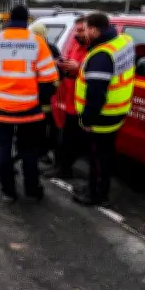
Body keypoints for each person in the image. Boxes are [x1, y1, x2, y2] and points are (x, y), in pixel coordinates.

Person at [0, 5, 59, 202]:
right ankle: (32, 190)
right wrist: (41, 100)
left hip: (1, 108)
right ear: (27, 20)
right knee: (29, 151)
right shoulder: (38, 42)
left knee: (4, 149)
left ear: (8, 19)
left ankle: (8, 191)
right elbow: (49, 78)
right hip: (29, 109)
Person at [73, 12, 136, 206]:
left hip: (102, 116)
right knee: (106, 155)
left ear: (94, 30)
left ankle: (96, 194)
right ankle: (101, 189)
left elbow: (96, 94)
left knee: (97, 158)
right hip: (119, 110)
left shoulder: (101, 55)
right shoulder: (124, 41)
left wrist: (86, 120)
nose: (84, 34)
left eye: (86, 30)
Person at [52, 15, 89, 179]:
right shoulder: (75, 42)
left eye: (81, 30)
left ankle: (65, 169)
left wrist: (78, 67)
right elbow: (68, 57)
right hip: (68, 98)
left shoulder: (95, 47)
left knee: (73, 139)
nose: (78, 34)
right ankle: (62, 168)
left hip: (83, 101)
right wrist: (62, 62)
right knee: (65, 137)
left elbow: (97, 72)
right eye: (76, 30)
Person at [29, 22, 62, 164]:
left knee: (43, 126)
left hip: (43, 94)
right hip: (44, 93)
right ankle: (42, 152)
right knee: (43, 126)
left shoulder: (37, 48)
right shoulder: (50, 48)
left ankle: (42, 151)